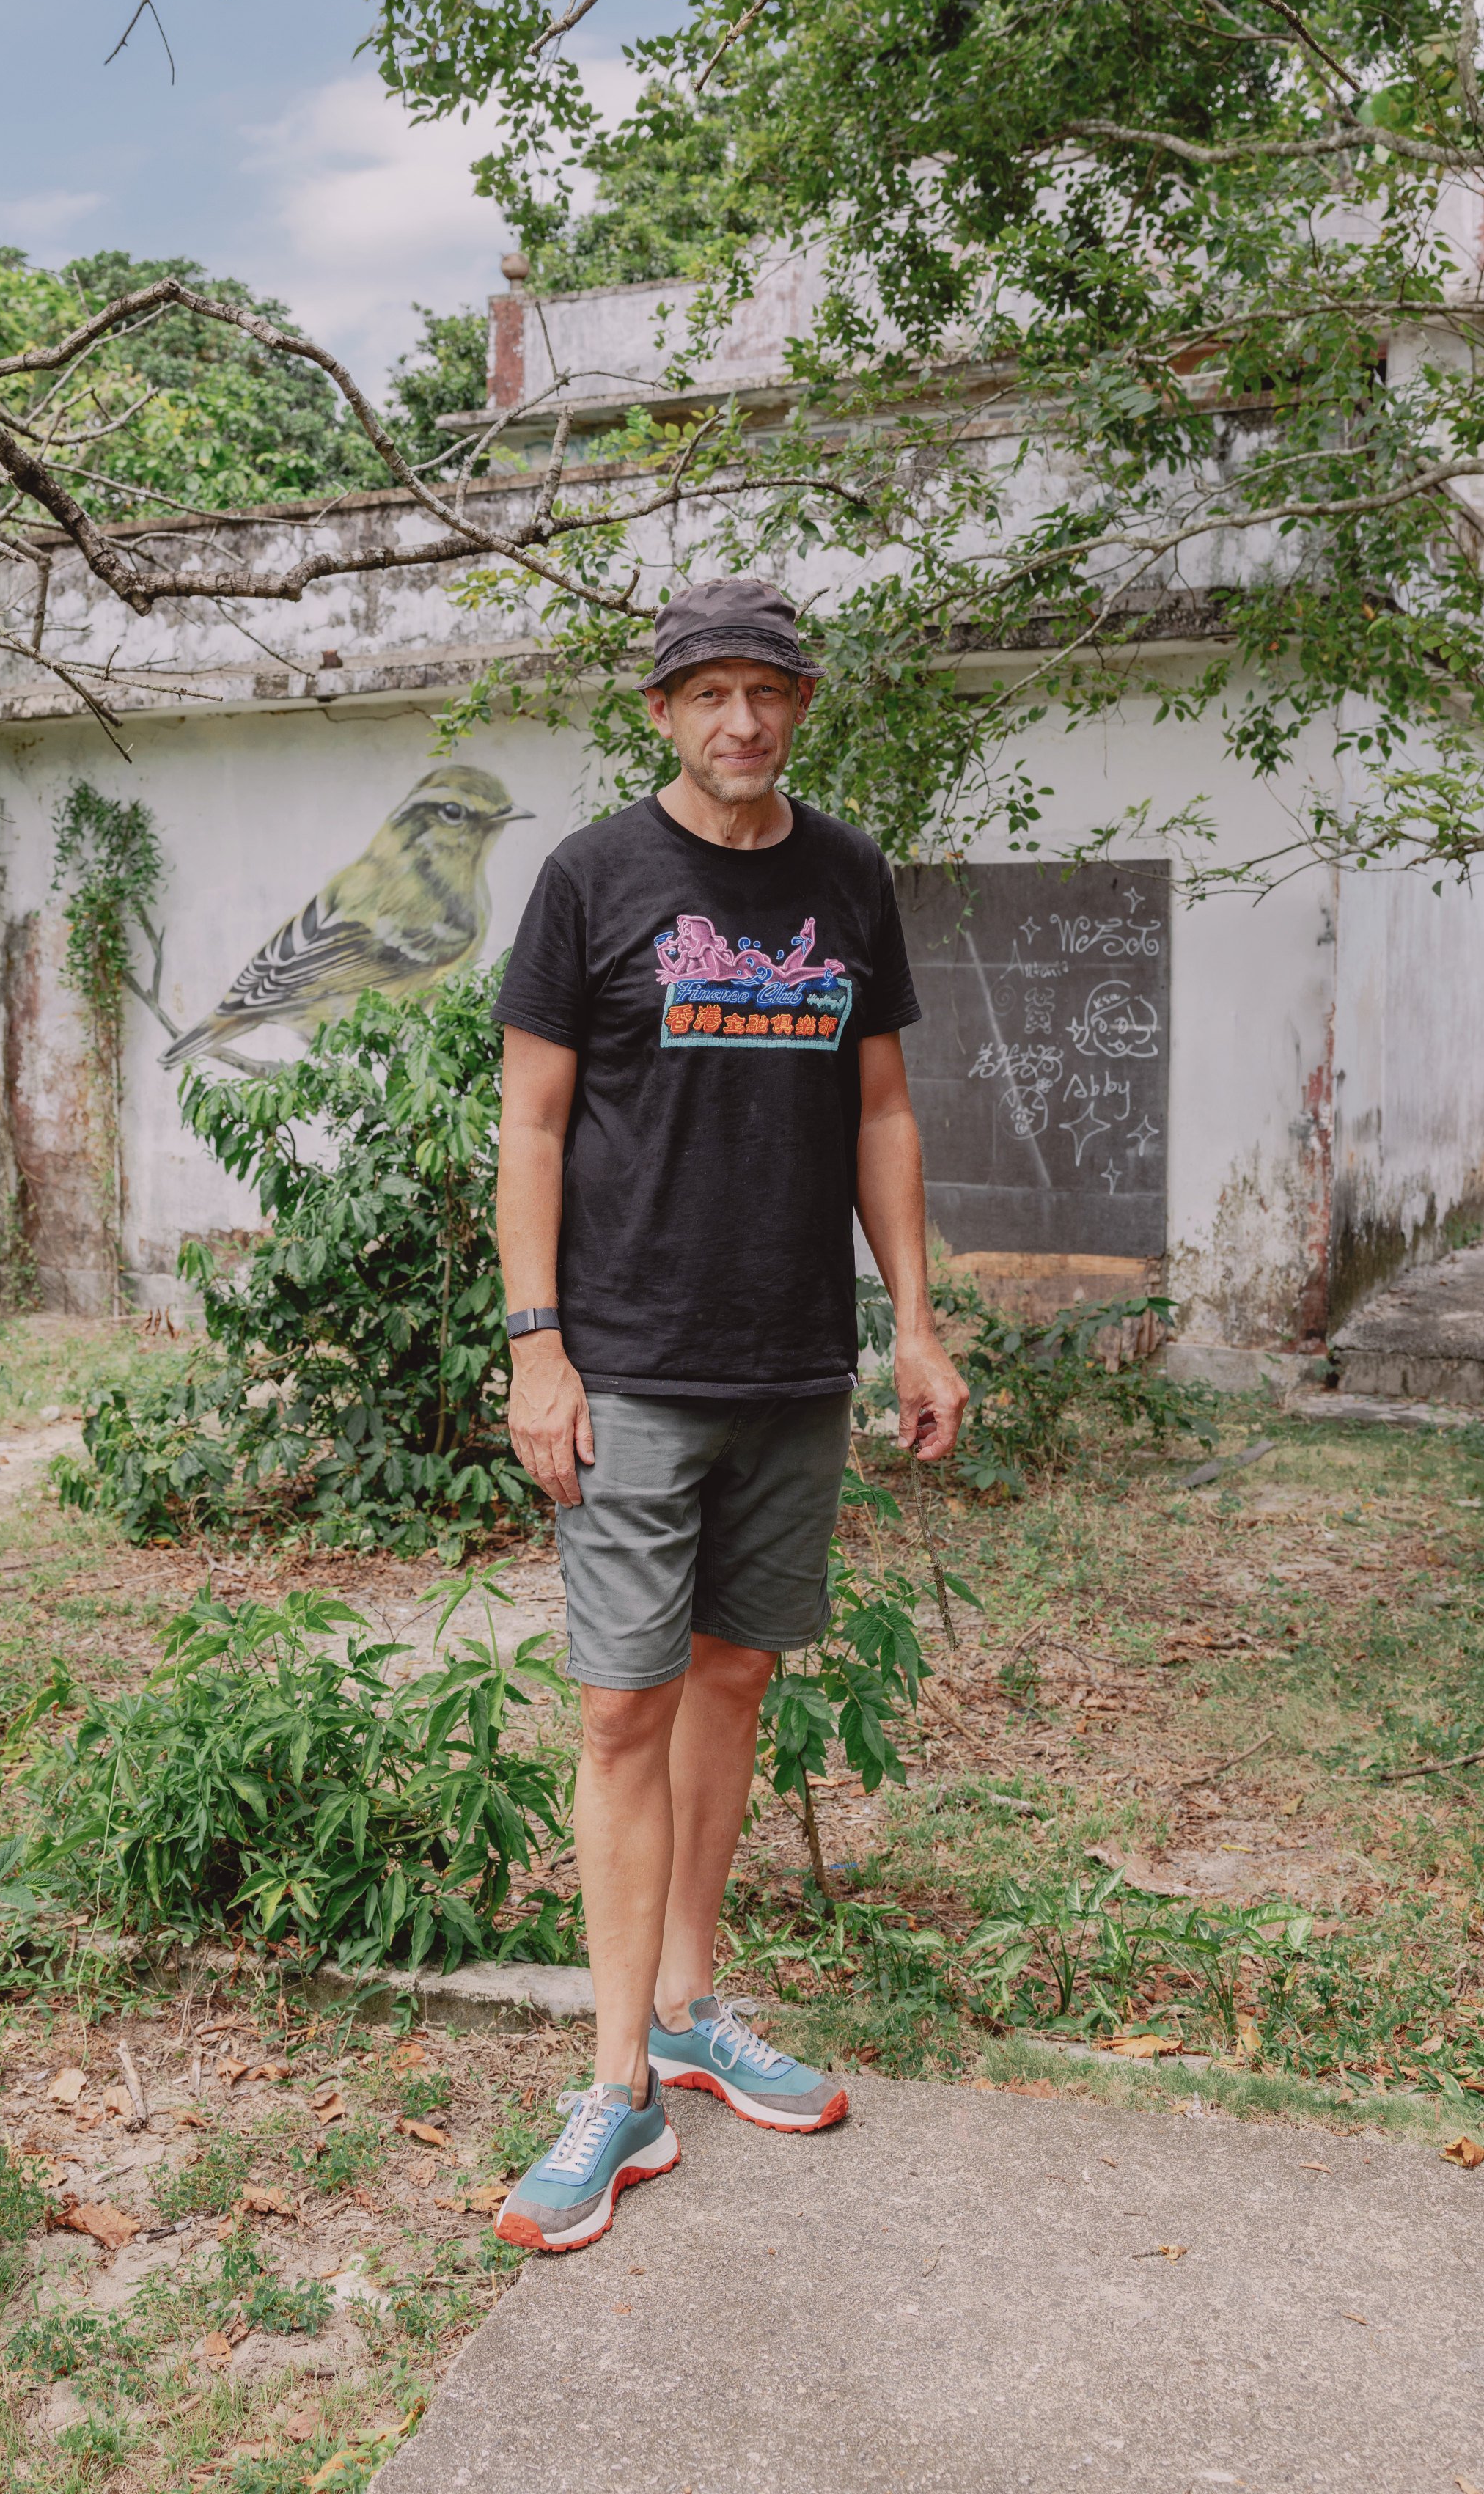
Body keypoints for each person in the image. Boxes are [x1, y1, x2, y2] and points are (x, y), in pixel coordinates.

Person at [490, 575, 969, 2254]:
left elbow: (884, 1107)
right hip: (624, 1365)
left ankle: (688, 2003)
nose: (739, 721)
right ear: (661, 713)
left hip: (788, 1365)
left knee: (732, 1673)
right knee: (620, 1709)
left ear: (802, 705)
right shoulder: (593, 879)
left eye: (766, 691)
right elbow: (532, 1126)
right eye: (707, 692)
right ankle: (614, 2081)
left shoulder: (846, 878)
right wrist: (536, 1345)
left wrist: (910, 1324)